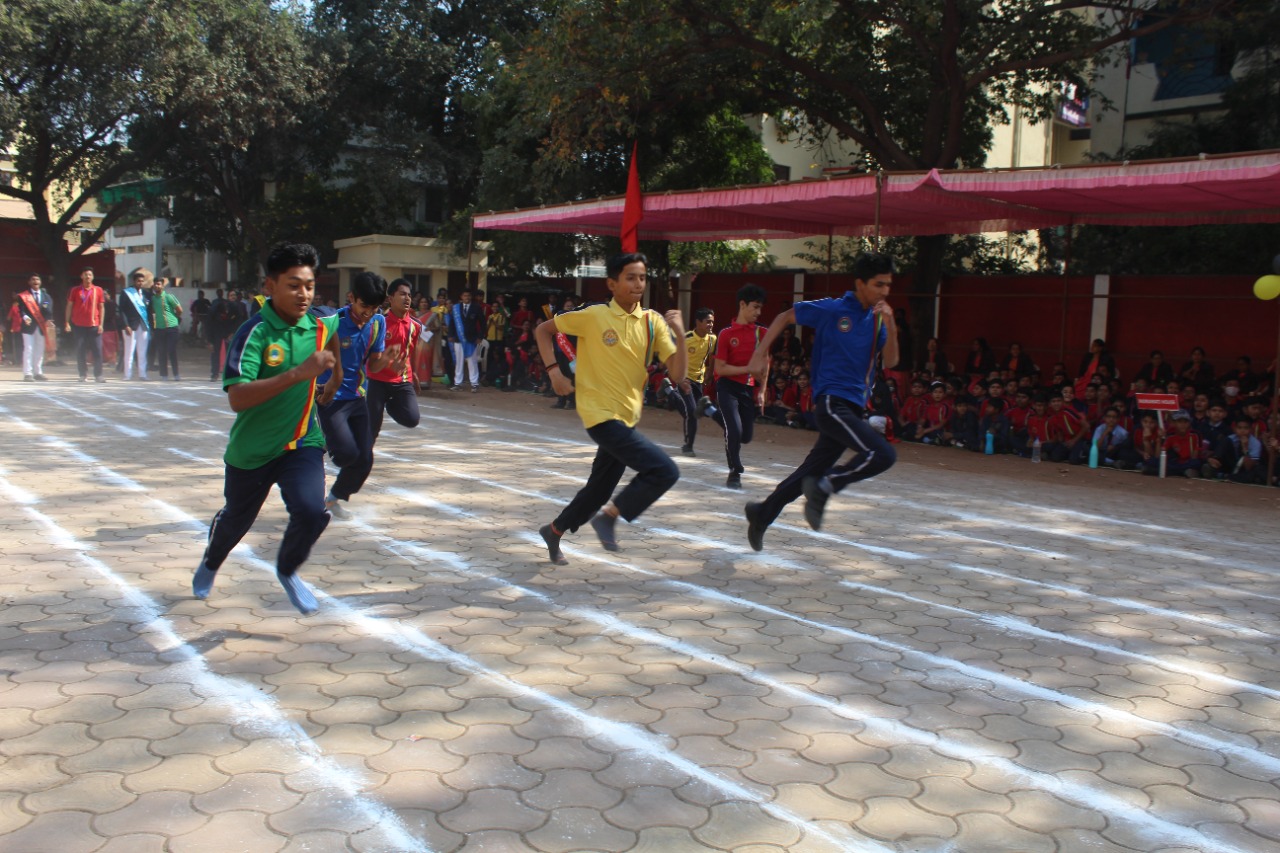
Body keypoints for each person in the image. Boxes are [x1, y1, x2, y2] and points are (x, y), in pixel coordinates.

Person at [192, 242, 343, 615]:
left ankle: (288, 569)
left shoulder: (320, 322)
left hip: (301, 442)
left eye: (308, 285)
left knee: (312, 511)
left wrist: (335, 377)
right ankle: (211, 561)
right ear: (269, 287)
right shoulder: (254, 333)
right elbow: (238, 398)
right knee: (235, 522)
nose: (304, 294)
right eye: (293, 285)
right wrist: (300, 374)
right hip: (253, 451)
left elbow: (333, 329)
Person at [535, 252, 687, 564]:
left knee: (599, 490)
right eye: (630, 277)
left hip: (625, 418)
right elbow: (543, 330)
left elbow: (678, 375)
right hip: (599, 414)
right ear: (612, 284)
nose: (638, 284)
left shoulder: (652, 323)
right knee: (664, 470)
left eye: (642, 277)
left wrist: (681, 338)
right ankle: (609, 518)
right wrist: (554, 372)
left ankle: (554, 530)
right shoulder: (594, 316)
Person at [742, 253, 898, 551]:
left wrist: (890, 323)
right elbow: (783, 317)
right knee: (882, 454)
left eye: (888, 285)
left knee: (807, 473)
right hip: (830, 403)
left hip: (853, 407)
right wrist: (759, 354)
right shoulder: (833, 309)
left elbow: (891, 359)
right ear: (860, 283)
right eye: (879, 284)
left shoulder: (879, 321)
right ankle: (828, 485)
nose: (884, 291)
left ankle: (763, 512)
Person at [314, 271, 396, 519]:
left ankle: (331, 500)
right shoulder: (333, 322)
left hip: (357, 398)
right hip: (330, 398)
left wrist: (389, 361)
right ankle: (318, 449)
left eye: (375, 307)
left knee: (364, 460)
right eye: (364, 306)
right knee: (347, 453)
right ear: (351, 297)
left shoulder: (378, 324)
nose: (368, 312)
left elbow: (374, 364)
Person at [709, 283, 770, 489]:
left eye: (761, 308)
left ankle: (709, 411)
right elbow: (721, 369)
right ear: (742, 305)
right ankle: (735, 471)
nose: (758, 312)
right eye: (755, 307)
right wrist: (748, 368)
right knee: (734, 430)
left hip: (747, 389)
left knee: (746, 436)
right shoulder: (726, 334)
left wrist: (762, 390)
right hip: (727, 387)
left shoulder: (762, 333)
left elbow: (766, 361)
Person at [366, 278, 423, 444]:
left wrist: (415, 374)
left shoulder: (415, 326)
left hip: (402, 380)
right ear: (390, 298)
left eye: (409, 295)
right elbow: (370, 356)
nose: (407, 298)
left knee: (412, 419)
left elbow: (411, 351)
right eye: (402, 294)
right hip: (377, 380)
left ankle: (390, 405)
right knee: (371, 430)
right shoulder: (378, 322)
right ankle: (361, 462)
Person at [669, 308, 717, 455]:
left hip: (699, 380)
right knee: (691, 411)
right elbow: (673, 356)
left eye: (712, 322)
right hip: (684, 378)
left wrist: (709, 373)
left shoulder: (712, 339)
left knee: (693, 413)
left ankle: (668, 391)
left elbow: (712, 357)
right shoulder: (686, 338)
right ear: (698, 322)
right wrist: (678, 377)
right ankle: (688, 446)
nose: (711, 325)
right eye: (708, 321)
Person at [65, 267, 108, 382]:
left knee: (97, 350)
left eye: (90, 275)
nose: (87, 277)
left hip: (94, 324)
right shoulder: (75, 290)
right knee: (80, 350)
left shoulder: (98, 290)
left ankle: (98, 375)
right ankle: (82, 374)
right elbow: (69, 306)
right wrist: (67, 322)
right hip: (78, 325)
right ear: (81, 276)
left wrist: (101, 324)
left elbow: (101, 307)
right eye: (85, 274)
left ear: (92, 277)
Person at [446, 289, 485, 391]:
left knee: (472, 362)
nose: (466, 297)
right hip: (458, 339)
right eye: (464, 295)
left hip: (472, 339)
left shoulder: (476, 307)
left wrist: (480, 337)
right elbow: (452, 323)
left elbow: (483, 323)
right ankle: (458, 383)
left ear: (471, 297)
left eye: (468, 295)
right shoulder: (456, 308)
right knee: (459, 361)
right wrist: (451, 334)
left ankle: (474, 383)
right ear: (461, 297)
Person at [119, 268, 153, 381]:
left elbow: (149, 311)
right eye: (138, 281)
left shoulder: (146, 294)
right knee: (129, 351)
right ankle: (127, 374)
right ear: (134, 281)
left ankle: (142, 374)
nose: (140, 283)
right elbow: (122, 310)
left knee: (142, 351)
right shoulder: (127, 293)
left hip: (143, 325)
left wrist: (151, 326)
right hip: (130, 326)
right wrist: (125, 325)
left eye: (142, 281)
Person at [207, 289, 248, 380]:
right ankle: (214, 374)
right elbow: (209, 325)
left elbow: (239, 321)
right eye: (224, 312)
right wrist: (209, 341)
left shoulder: (235, 308)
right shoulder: (214, 311)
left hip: (229, 332)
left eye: (227, 311)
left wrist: (232, 333)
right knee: (215, 353)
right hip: (216, 332)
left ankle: (232, 373)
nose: (225, 313)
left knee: (232, 352)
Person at [18, 273, 53, 381]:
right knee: (29, 349)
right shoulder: (24, 296)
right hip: (28, 327)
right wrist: (25, 317)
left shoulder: (46, 296)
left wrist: (48, 320)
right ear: (29, 282)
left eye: (37, 279)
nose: (35, 281)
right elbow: (21, 310)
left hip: (41, 326)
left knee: (39, 349)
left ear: (40, 282)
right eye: (33, 279)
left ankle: (38, 372)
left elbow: (48, 310)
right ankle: (28, 373)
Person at [150, 276, 183, 380]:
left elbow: (179, 310)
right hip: (159, 329)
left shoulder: (169, 297)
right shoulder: (153, 299)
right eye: (155, 284)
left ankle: (176, 374)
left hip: (171, 328)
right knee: (161, 352)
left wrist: (175, 318)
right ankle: (164, 375)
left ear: (163, 286)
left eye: (159, 284)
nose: (156, 286)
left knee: (171, 350)